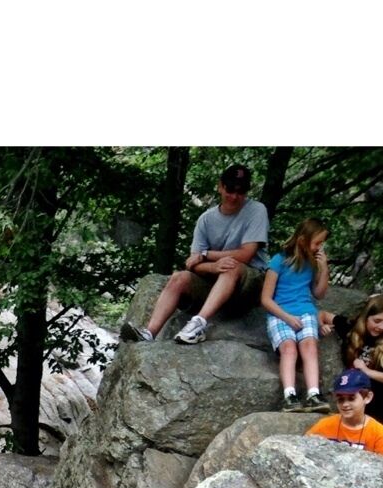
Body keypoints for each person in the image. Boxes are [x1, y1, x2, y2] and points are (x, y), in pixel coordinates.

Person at [121, 164, 269, 345]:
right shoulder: (206, 219)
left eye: (241, 191)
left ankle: (198, 324)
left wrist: (206, 254)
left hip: (250, 285)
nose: (234, 196)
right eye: (230, 189)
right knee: (179, 277)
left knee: (231, 265)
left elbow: (246, 254)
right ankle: (149, 333)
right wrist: (213, 266)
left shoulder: (257, 210)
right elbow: (192, 263)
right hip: (216, 283)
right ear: (220, 186)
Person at [261, 219, 330, 410]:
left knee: (309, 346)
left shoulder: (312, 262)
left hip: (306, 311)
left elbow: (319, 293)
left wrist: (324, 268)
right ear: (301, 240)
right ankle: (290, 396)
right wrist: (287, 317)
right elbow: (266, 299)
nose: (319, 248)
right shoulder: (279, 260)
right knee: (289, 348)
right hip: (280, 314)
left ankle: (314, 394)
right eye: (317, 243)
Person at [318, 294, 383, 420]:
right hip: (353, 401)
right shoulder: (351, 329)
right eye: (377, 321)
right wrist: (322, 326)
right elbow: (322, 314)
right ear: (366, 317)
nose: (381, 327)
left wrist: (367, 371)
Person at [305, 368, 383, 453]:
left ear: (367, 397)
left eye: (351, 399)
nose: (345, 404)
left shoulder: (378, 432)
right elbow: (302, 447)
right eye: (340, 399)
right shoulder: (324, 425)